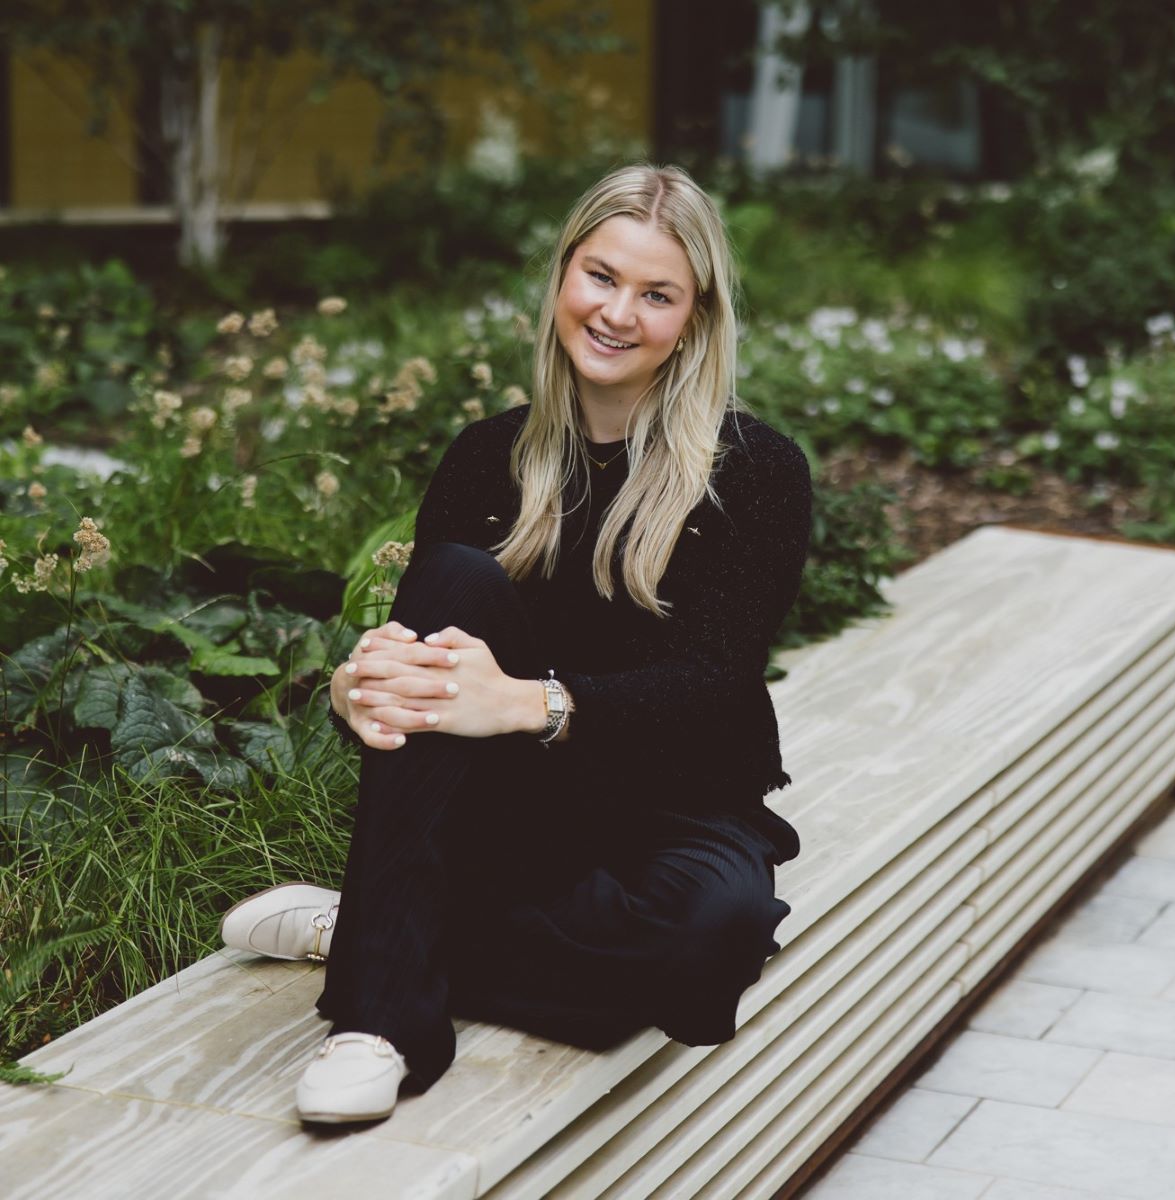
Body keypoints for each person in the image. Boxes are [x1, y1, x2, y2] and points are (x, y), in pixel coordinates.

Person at [219, 161, 813, 1125]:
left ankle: (376, 925)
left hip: (674, 802)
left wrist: (535, 702)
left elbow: (713, 685)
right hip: (510, 804)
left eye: (657, 294)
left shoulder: (753, 474)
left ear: (694, 320)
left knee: (713, 940)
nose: (618, 312)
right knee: (456, 573)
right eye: (601, 277)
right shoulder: (484, 457)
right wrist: (354, 689)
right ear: (562, 280)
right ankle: (378, 1020)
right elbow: (424, 686)